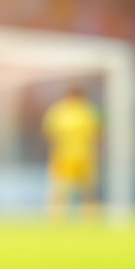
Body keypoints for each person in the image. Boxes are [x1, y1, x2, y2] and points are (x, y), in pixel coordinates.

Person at [42, 87, 101, 219]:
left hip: (85, 156)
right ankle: (55, 218)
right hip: (64, 157)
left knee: (88, 190)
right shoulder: (58, 111)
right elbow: (51, 134)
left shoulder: (89, 111)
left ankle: (90, 219)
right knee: (60, 189)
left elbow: (97, 134)